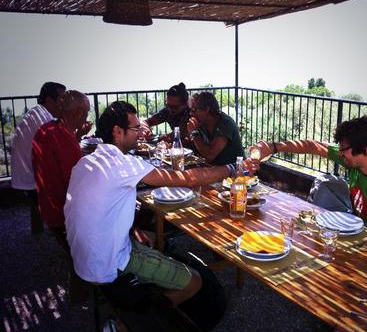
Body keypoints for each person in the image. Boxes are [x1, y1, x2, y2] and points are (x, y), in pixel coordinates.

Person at [64, 101, 258, 330]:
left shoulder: (87, 161)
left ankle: (146, 300)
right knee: (194, 281)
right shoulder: (122, 164)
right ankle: (133, 323)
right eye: (135, 129)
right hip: (108, 263)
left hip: (82, 257)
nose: (139, 134)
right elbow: (188, 179)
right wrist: (232, 169)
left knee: (156, 240)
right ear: (118, 131)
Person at [255, 116, 367, 247]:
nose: (340, 154)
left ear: (365, 150)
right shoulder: (354, 160)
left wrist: (364, 236)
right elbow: (314, 146)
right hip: (366, 240)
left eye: (344, 149)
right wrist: (273, 147)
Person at [32, 90, 91, 240]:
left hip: (46, 205)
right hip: (62, 213)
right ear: (79, 113)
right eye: (87, 112)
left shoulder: (45, 129)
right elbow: (78, 184)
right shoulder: (65, 140)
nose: (87, 116)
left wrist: (78, 136)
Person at [11, 81, 66, 234]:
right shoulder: (45, 120)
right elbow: (59, 154)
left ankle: (40, 229)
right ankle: (68, 231)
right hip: (31, 181)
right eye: (63, 98)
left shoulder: (37, 113)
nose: (65, 103)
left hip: (24, 176)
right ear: (49, 101)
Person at [187, 91, 244, 165]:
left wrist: (194, 133)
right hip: (214, 168)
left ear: (206, 109)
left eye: (194, 110)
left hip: (235, 171)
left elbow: (210, 155)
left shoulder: (225, 123)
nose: (191, 113)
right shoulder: (201, 123)